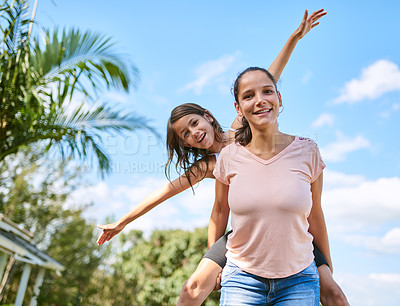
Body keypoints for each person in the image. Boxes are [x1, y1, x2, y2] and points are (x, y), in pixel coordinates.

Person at [97, 9, 348, 305]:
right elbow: (167, 195)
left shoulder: (239, 128)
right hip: (244, 234)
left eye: (194, 123)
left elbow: (269, 78)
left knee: (331, 290)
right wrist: (123, 222)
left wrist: (294, 38)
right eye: (185, 135)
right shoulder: (209, 165)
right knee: (191, 289)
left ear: (207, 116)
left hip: (290, 233)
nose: (194, 133)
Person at [209, 66, 335, 305]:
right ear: (239, 108)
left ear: (278, 98)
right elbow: (219, 211)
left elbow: (315, 215)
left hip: (300, 279)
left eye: (267, 91)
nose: (260, 101)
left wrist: (327, 268)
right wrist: (214, 264)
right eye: (248, 96)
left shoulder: (308, 151)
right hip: (240, 278)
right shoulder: (228, 157)